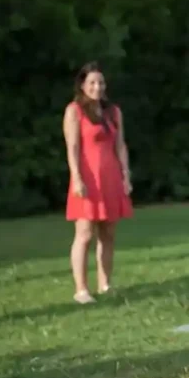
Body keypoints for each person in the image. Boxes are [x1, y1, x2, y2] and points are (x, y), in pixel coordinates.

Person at [63, 62, 133, 305]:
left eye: (101, 82)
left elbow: (120, 145)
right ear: (82, 85)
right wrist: (76, 178)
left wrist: (126, 175)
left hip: (111, 177)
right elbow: (72, 147)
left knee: (108, 234)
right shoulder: (74, 111)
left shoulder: (113, 112)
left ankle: (105, 284)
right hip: (87, 179)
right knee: (84, 234)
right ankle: (81, 289)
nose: (97, 86)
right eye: (92, 82)